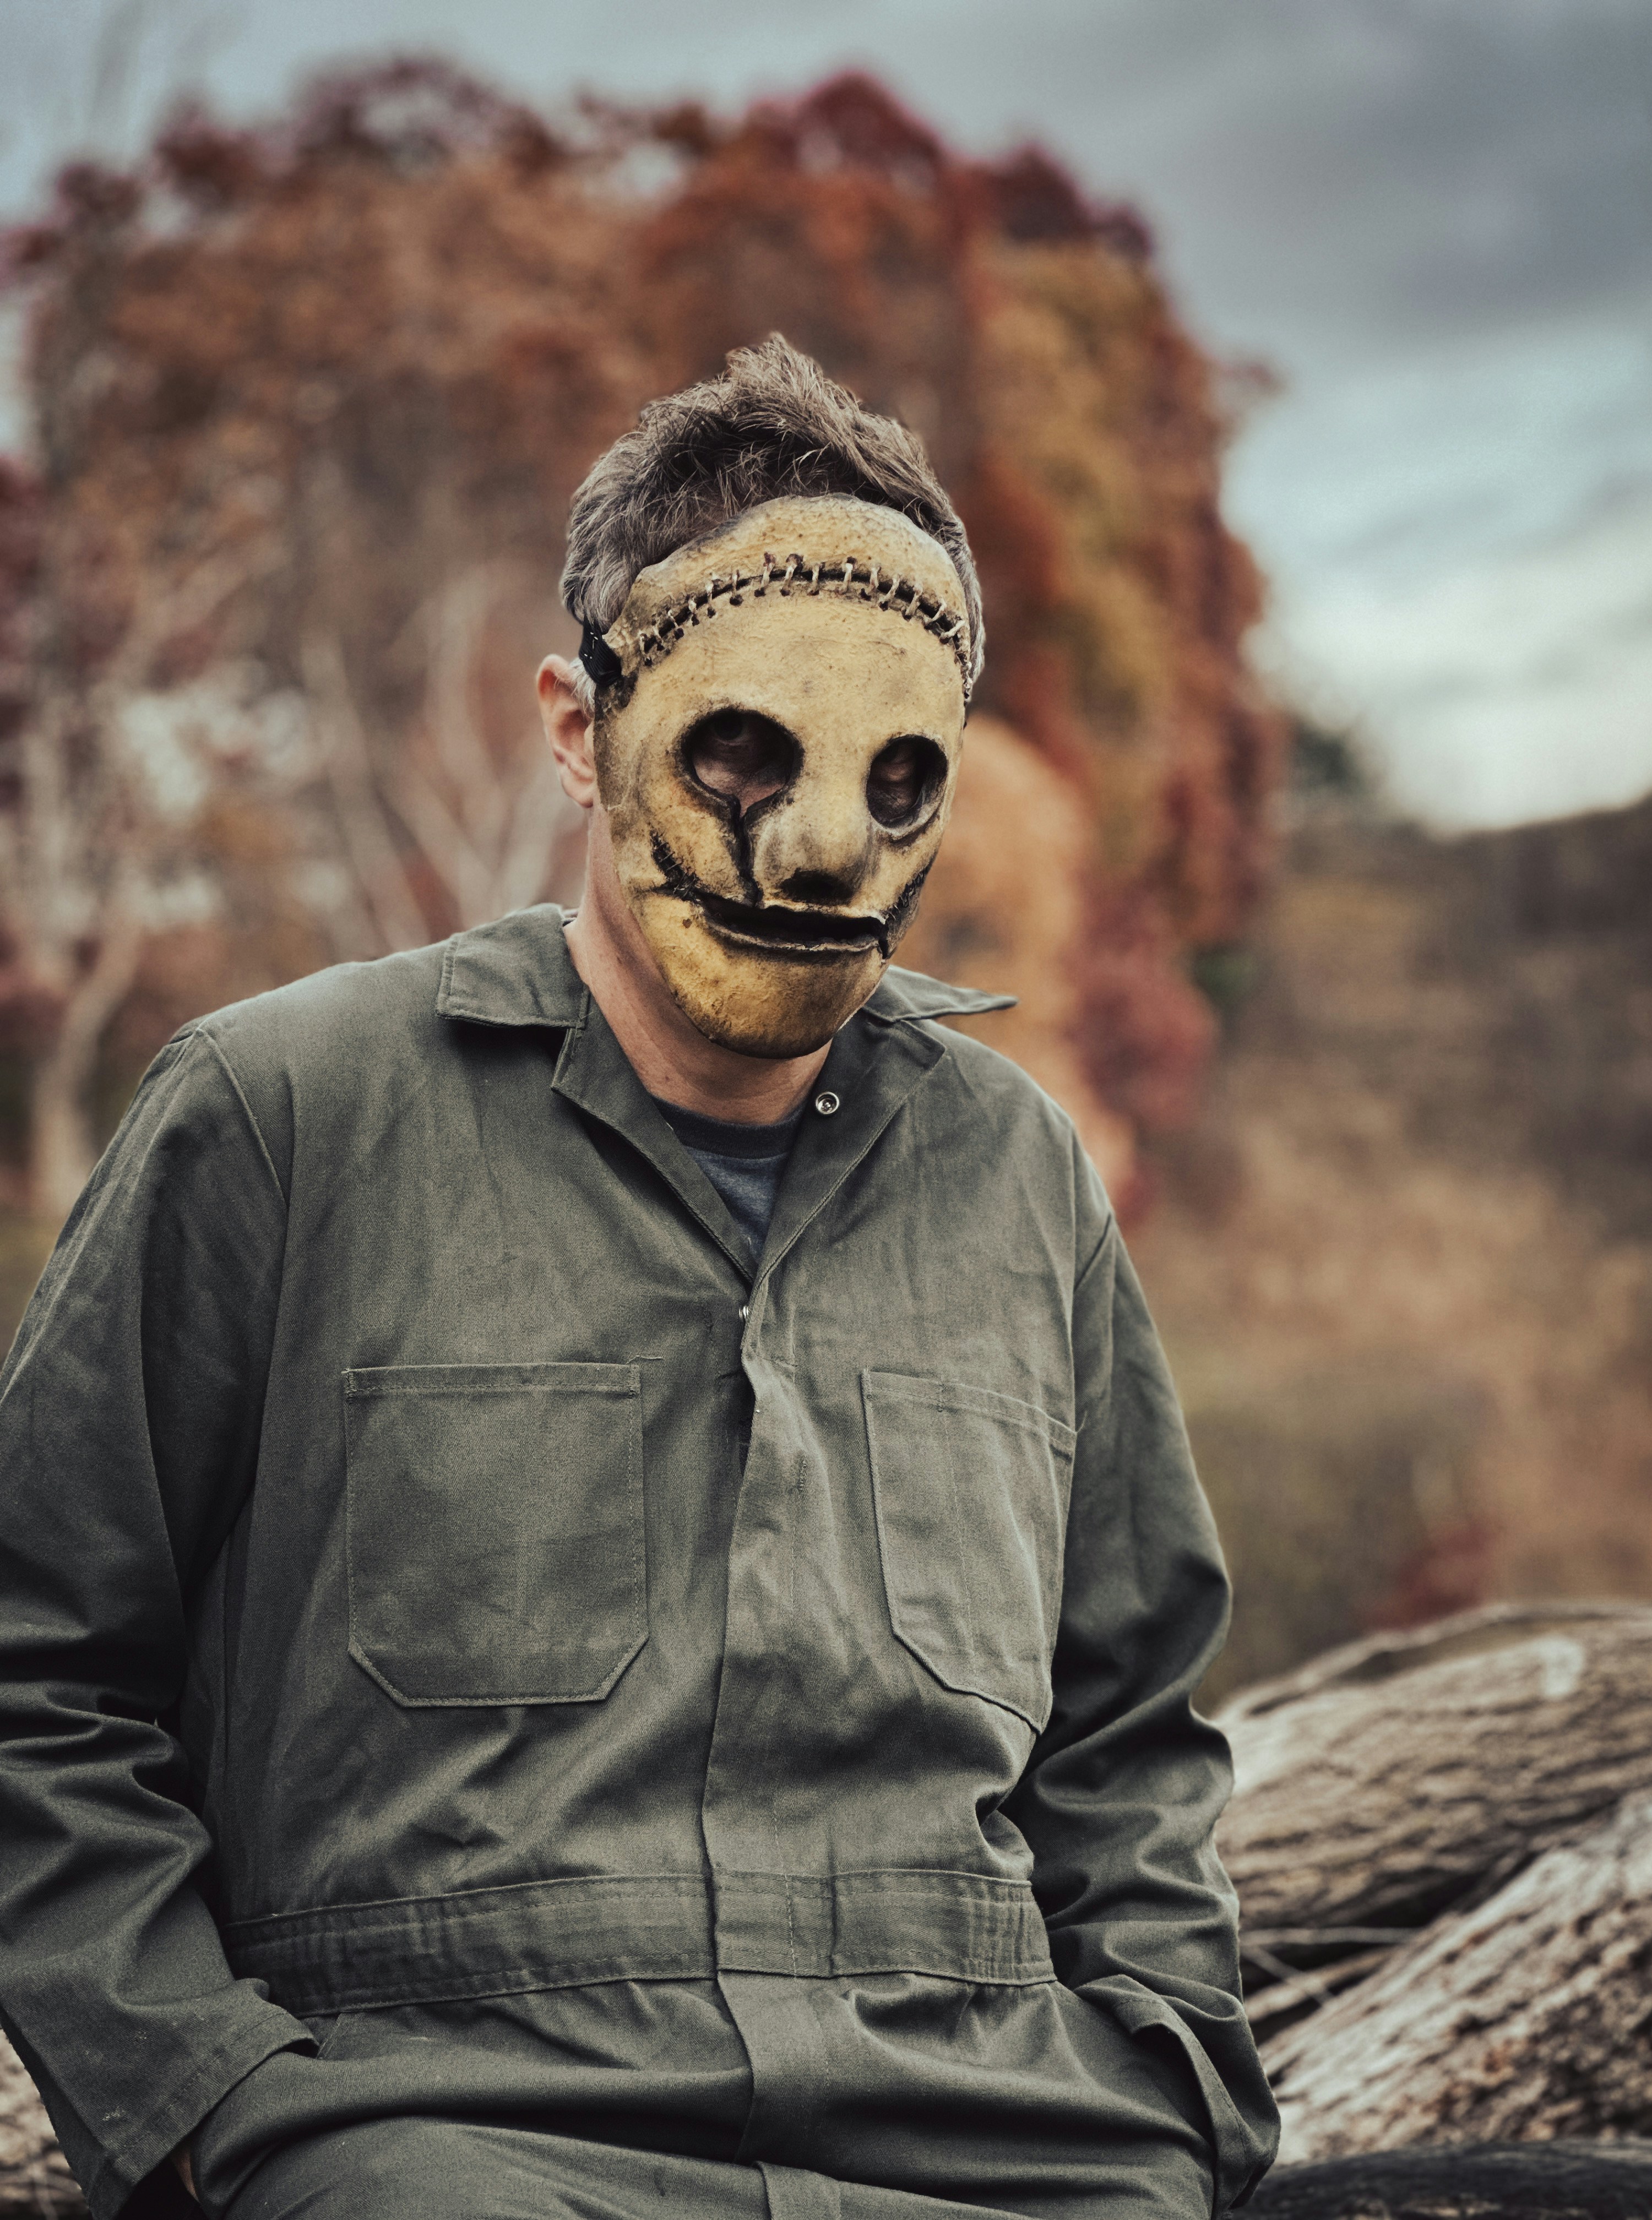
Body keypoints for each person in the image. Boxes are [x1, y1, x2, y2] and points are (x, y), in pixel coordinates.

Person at [0, 338, 1277, 2220]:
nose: (822, 843)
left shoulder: (1021, 1178)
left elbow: (1128, 1724)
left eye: (900, 775)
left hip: (993, 2135)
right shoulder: (279, 1118)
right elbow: (34, 1672)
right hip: (451, 2129)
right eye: (741, 747)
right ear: (576, 727)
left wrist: (1168, 2087)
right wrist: (214, 2107)